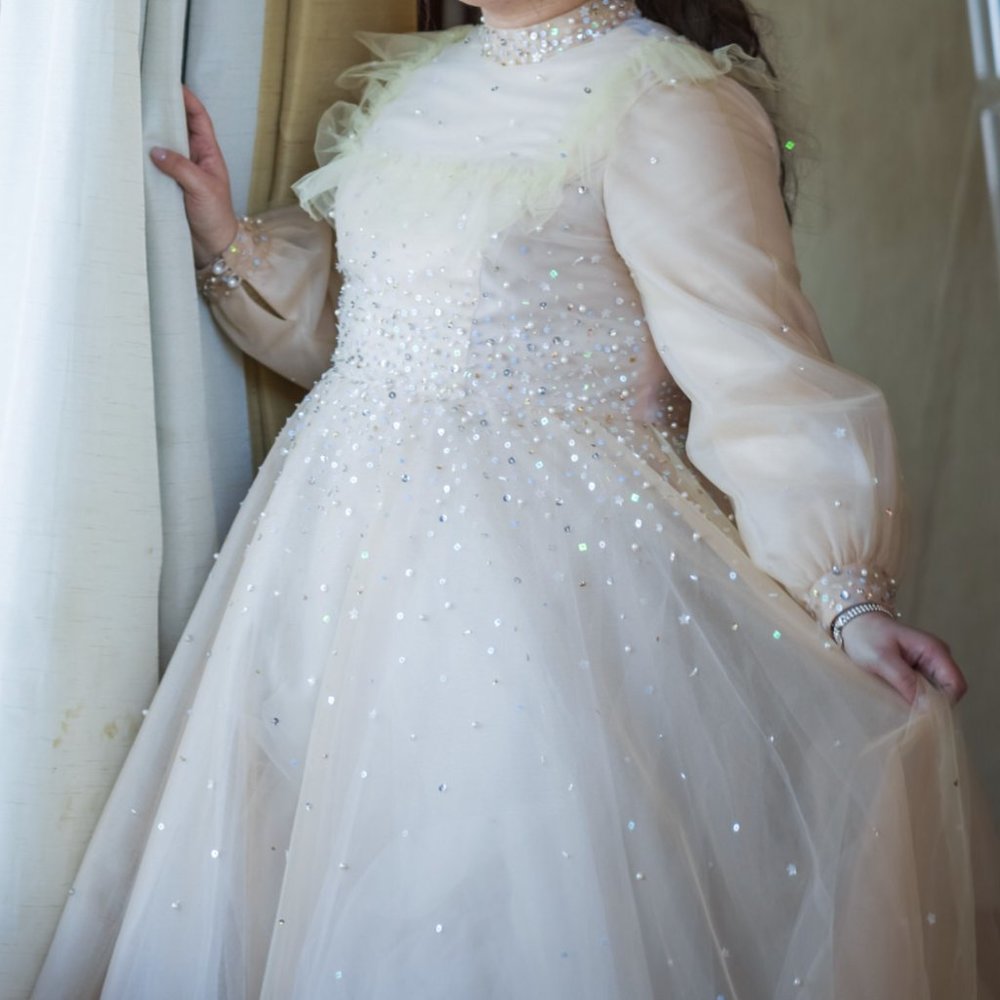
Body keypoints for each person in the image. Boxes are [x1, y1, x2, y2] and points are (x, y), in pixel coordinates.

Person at [33, 1, 999, 997]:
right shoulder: (417, 83)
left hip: (532, 591)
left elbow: (754, 365)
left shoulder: (670, 101)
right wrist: (230, 237)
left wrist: (848, 589)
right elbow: (369, 330)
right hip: (324, 565)